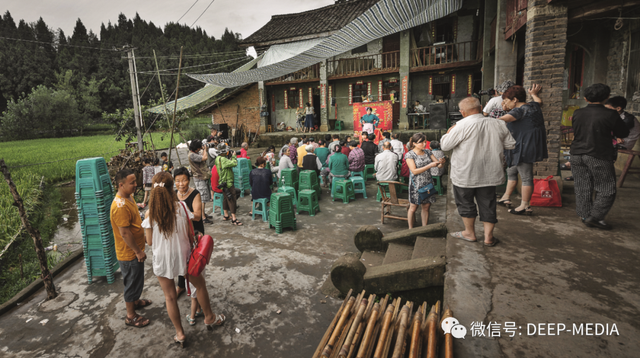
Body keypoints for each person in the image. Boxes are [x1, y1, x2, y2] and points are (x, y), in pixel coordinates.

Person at [142, 172, 225, 347]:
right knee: (200, 285)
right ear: (171, 188)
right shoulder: (180, 207)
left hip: (162, 260)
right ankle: (209, 317)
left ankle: (180, 333)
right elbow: (189, 234)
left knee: (170, 297)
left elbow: (149, 242)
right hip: (184, 257)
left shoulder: (150, 214)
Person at [441, 97, 515, 246]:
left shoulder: (460, 126)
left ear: (462, 112)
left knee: (465, 203)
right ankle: (488, 237)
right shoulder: (498, 123)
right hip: (490, 173)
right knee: (488, 203)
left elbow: (445, 146)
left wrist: (448, 133)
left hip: (465, 173)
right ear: (481, 107)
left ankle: (469, 233)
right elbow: (511, 144)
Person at [570, 84, 629, 230]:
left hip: (576, 154)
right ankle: (595, 217)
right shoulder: (610, 114)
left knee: (582, 186)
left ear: (585, 98)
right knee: (607, 188)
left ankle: (585, 215)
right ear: (607, 97)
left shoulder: (578, 113)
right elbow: (623, 132)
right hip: (598, 154)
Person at [497, 84, 547, 215]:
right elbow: (539, 101)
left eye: (506, 101)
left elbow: (500, 121)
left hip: (523, 147)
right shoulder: (533, 106)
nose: (505, 104)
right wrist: (534, 94)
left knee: (526, 177)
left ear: (514, 100)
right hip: (524, 146)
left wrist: (501, 115)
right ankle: (506, 197)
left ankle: (525, 205)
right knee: (512, 171)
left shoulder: (518, 111)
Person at [110, 169, 151, 328]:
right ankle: (131, 315)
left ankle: (135, 301)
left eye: (135, 181)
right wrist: (138, 251)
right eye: (132, 182)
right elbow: (125, 233)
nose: (136, 185)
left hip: (135, 250)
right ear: (121, 185)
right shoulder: (120, 206)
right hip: (129, 253)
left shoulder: (129, 197)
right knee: (131, 283)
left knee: (137, 279)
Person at [173, 167, 204, 298]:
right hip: (180, 232)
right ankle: (180, 285)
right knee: (181, 258)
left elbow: (197, 216)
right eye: (178, 181)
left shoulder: (195, 194)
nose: (181, 184)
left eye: (184, 180)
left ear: (189, 180)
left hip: (195, 232)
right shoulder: (174, 194)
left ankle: (196, 286)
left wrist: (181, 212)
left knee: (192, 260)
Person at [405, 133, 444, 229]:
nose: (424, 144)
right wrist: (429, 166)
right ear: (414, 143)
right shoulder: (410, 155)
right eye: (421, 142)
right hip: (416, 184)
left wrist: (441, 163)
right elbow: (414, 171)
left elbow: (438, 165)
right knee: (413, 207)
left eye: (425, 142)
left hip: (428, 183)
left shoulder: (428, 152)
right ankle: (410, 229)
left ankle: (424, 228)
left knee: (426, 207)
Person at [214, 143, 242, 226]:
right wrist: (233, 156)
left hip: (222, 182)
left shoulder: (218, 158)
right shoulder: (223, 160)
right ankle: (234, 219)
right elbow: (234, 163)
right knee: (231, 199)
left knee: (225, 198)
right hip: (228, 182)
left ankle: (226, 215)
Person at [188, 140, 212, 223]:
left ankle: (203, 213)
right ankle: (203, 217)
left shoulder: (194, 154)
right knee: (202, 198)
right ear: (196, 148)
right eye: (199, 148)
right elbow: (204, 158)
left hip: (201, 177)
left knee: (204, 197)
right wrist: (205, 149)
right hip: (199, 178)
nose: (199, 149)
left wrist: (205, 149)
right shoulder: (192, 155)